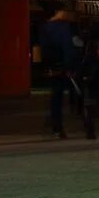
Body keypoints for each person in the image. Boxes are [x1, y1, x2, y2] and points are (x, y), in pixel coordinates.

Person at [35, 8, 77, 138]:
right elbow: (67, 47)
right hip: (61, 64)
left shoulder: (44, 28)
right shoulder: (63, 28)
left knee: (55, 96)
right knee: (59, 95)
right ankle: (58, 126)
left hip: (50, 64)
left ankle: (55, 125)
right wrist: (70, 66)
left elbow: (40, 48)